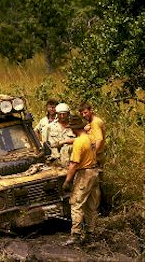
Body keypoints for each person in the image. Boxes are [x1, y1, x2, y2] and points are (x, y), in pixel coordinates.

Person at [62, 115, 100, 245]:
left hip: (85, 174)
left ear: (74, 128)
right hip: (95, 172)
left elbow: (73, 164)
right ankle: (90, 233)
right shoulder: (90, 138)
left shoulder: (78, 142)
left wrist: (67, 180)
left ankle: (76, 235)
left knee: (76, 203)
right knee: (91, 205)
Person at [79, 102, 106, 166]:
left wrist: (92, 155)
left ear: (91, 110)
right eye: (82, 114)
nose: (84, 115)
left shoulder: (95, 122)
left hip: (96, 156)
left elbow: (99, 140)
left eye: (85, 112)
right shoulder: (90, 122)